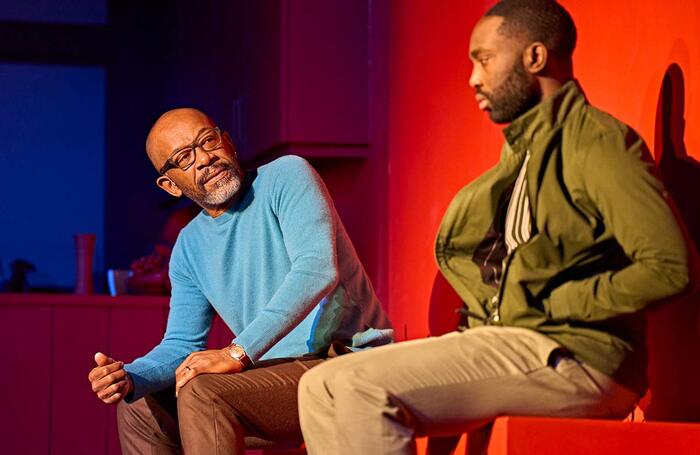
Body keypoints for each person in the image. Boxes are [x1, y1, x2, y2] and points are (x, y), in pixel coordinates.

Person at [297, 1, 691, 453]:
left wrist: (559, 299)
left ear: (535, 57)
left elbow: (671, 268)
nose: (473, 78)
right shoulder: (521, 155)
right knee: (318, 388)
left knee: (359, 388)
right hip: (517, 342)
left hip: (579, 356)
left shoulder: (599, 143)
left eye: (484, 59)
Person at [87, 108, 393, 454]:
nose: (204, 159)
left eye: (207, 141)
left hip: (343, 361)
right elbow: (183, 343)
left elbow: (316, 269)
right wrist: (129, 377)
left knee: (203, 392)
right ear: (170, 185)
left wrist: (238, 352)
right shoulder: (188, 246)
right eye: (184, 158)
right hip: (269, 377)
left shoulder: (286, 176)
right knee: (139, 408)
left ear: (228, 142)